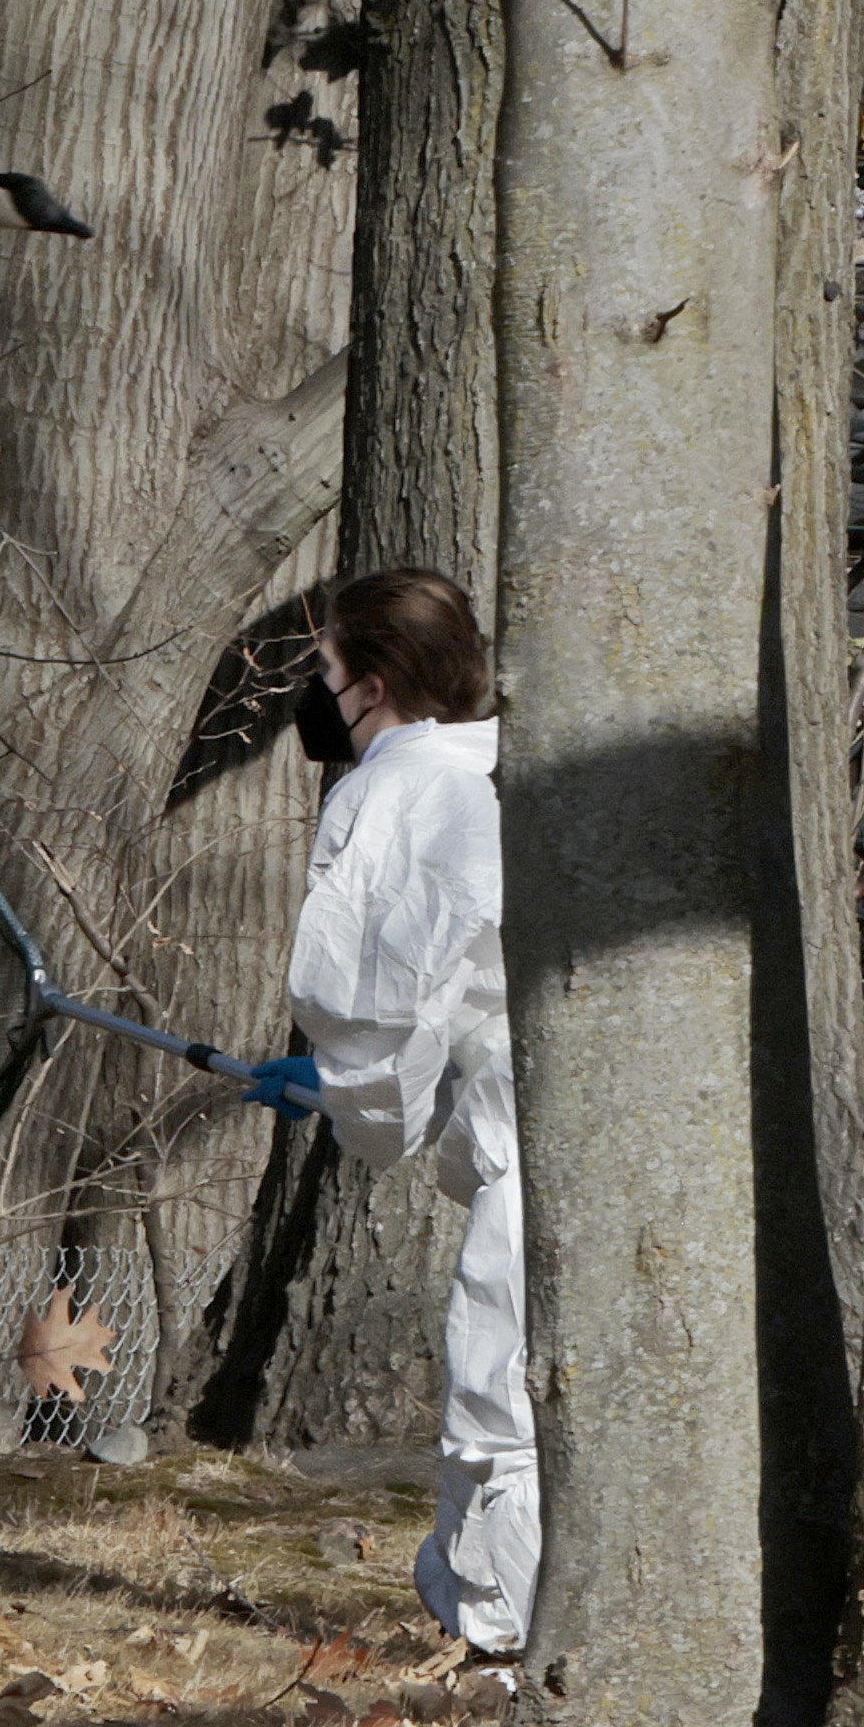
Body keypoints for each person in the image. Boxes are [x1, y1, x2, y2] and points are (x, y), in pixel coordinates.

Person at [245, 568, 533, 1654]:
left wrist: (340, 1088)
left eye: (322, 671)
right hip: (519, 1105)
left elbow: (384, 992)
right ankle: (484, 1617)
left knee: (501, 1381)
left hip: (528, 1126)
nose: (314, 696)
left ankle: (513, 1647)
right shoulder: (493, 765)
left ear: (369, 684)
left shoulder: (404, 790)